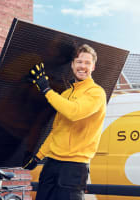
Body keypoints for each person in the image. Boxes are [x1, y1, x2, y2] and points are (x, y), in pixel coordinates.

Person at [23, 44, 106, 200]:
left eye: (87, 63)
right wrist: (38, 157)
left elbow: (74, 112)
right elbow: (57, 130)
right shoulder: (66, 94)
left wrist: (46, 89)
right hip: (52, 163)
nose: (83, 66)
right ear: (73, 65)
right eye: (79, 62)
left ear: (93, 67)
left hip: (74, 167)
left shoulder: (96, 93)